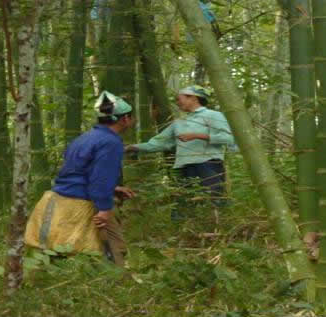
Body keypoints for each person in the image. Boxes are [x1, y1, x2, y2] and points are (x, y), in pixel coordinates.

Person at [24, 91, 136, 266]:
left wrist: (113, 189)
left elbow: (77, 171)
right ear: (125, 119)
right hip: (80, 202)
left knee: (54, 252)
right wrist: (104, 209)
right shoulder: (111, 142)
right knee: (113, 248)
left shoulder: (84, 138)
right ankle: (118, 281)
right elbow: (100, 179)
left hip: (57, 200)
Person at [127, 85, 234, 221]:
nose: (178, 103)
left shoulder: (213, 115)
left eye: (179, 99)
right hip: (183, 167)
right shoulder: (179, 122)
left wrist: (198, 136)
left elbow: (228, 138)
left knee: (214, 199)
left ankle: (218, 230)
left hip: (209, 164)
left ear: (194, 98)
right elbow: (159, 142)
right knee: (183, 203)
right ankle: (186, 233)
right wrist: (133, 147)